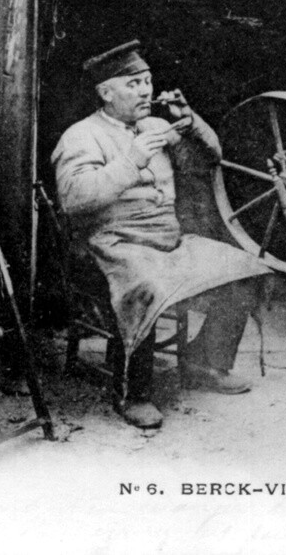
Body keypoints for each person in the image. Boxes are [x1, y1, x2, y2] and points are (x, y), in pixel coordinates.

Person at [51, 40, 271, 429]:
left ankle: (206, 362)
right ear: (106, 93)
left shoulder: (156, 126)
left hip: (168, 243)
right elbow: (74, 199)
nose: (146, 91)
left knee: (244, 270)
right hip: (114, 246)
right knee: (147, 286)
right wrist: (132, 158)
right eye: (133, 84)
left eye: (148, 82)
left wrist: (189, 121)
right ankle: (132, 394)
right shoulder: (81, 136)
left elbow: (208, 160)